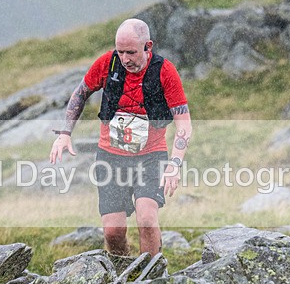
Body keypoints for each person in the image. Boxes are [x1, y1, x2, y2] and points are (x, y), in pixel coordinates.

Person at [49, 18, 192, 256]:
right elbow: (79, 94)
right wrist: (65, 133)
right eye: (121, 51)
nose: (125, 59)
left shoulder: (164, 71)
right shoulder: (107, 64)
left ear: (148, 46)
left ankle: (152, 276)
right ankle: (121, 276)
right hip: (110, 158)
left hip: (151, 157)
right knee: (113, 232)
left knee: (146, 219)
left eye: (132, 52)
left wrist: (175, 164)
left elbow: (184, 124)